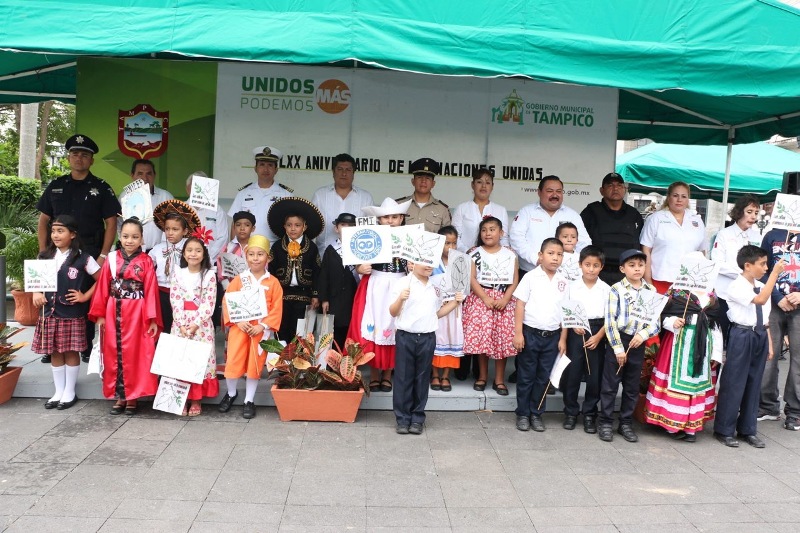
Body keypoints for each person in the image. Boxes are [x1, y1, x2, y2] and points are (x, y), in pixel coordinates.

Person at [36, 134, 121, 364]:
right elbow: (43, 221)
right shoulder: (56, 186)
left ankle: (84, 346)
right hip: (56, 253)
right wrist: (43, 253)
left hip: (89, 251)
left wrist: (103, 255)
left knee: (85, 299)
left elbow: (111, 223)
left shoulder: (101, 187)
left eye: (84, 155)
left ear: (91, 160)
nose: (79, 158)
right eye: (75, 154)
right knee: (51, 297)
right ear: (68, 158)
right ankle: (51, 347)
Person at [644, 255, 723, 442]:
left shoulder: (711, 293)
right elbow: (660, 315)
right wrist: (672, 322)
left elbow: (714, 324)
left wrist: (716, 352)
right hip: (677, 342)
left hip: (703, 345)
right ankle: (673, 424)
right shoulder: (676, 291)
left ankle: (691, 427)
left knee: (696, 384)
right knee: (676, 382)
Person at [88, 217, 161, 415]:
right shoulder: (112, 259)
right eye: (126, 236)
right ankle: (119, 395)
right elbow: (103, 287)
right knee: (114, 351)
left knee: (134, 353)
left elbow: (151, 291)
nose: (130, 240)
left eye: (135, 237)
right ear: (120, 237)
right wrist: (100, 314)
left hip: (137, 312)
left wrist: (152, 319)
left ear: (142, 239)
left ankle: (132, 397)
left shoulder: (146, 261)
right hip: (113, 310)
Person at [714, 246, 784, 447]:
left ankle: (747, 429)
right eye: (762, 264)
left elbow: (765, 318)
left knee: (754, 383)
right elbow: (760, 301)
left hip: (759, 334)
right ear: (747, 265)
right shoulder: (737, 286)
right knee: (734, 381)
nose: (766, 268)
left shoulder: (762, 285)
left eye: (767, 264)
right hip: (742, 334)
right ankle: (724, 429)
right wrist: (774, 275)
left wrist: (769, 343)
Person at [31, 215, 101, 410]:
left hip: (71, 313)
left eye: (60, 231)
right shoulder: (44, 256)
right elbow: (36, 282)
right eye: (53, 231)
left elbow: (103, 278)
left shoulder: (83, 258)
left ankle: (69, 391)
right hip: (49, 313)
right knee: (54, 351)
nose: (55, 235)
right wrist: (36, 292)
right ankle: (58, 391)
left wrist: (85, 296)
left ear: (73, 234)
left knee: (70, 351)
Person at [389, 261, 464, 435]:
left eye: (431, 262)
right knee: (403, 378)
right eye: (424, 262)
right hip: (406, 336)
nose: (429, 266)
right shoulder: (402, 283)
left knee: (422, 378)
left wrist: (455, 303)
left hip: (427, 337)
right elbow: (393, 312)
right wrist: (401, 299)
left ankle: (417, 418)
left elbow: (436, 313)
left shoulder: (435, 286)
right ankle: (402, 418)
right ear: (412, 263)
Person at [348, 197, 411, 392]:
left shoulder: (410, 238)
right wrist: (360, 267)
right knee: (374, 325)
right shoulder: (369, 236)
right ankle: (374, 374)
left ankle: (388, 374)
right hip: (375, 285)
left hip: (399, 284)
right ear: (379, 220)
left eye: (394, 217)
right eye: (385, 217)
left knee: (394, 326)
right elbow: (357, 261)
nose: (390, 221)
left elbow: (418, 263)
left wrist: (412, 266)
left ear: (401, 218)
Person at [599, 249, 661, 443]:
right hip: (619, 340)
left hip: (638, 342)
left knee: (632, 386)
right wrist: (618, 348)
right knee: (610, 385)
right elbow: (610, 321)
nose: (637, 269)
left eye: (641, 265)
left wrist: (643, 335)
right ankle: (605, 422)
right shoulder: (616, 289)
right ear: (622, 268)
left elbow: (655, 322)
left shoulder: (651, 291)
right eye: (632, 265)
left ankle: (625, 423)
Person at [219, 235, 283, 419]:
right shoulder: (239, 279)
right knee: (234, 360)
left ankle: (249, 399)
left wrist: (263, 326)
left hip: (260, 331)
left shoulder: (273, 282)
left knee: (254, 364)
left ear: (268, 257)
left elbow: (277, 308)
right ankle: (231, 393)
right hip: (240, 328)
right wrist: (237, 321)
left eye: (260, 254)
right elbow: (227, 301)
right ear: (246, 256)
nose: (255, 258)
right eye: (252, 254)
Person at [511, 238, 568, 432]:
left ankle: (536, 413)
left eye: (559, 254)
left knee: (544, 377)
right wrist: (518, 333)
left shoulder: (563, 281)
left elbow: (566, 312)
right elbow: (520, 304)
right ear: (540, 256)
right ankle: (523, 414)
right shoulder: (530, 277)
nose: (555, 258)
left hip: (553, 336)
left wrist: (563, 338)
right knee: (526, 376)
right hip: (530, 334)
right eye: (551, 253)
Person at [462, 217, 519, 395]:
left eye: (492, 229)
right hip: (481, 299)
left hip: (504, 300)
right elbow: (471, 278)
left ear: (501, 233)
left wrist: (506, 298)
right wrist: (485, 297)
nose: (488, 233)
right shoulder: (474, 252)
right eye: (484, 230)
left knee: (501, 341)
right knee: (483, 340)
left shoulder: (510, 253)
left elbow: (515, 279)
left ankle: (499, 380)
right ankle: (482, 376)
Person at [559, 245, 609, 433]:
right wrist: (572, 326)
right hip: (576, 330)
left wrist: (598, 336)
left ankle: (590, 414)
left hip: (597, 331)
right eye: (587, 264)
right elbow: (565, 311)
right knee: (572, 373)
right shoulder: (571, 287)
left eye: (595, 265)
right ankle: (570, 412)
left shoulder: (606, 289)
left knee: (594, 375)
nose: (591, 269)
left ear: (601, 267)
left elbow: (610, 318)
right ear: (580, 265)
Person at [169, 236, 219, 417]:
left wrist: (195, 324)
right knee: (181, 360)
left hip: (201, 326)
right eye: (189, 250)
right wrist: (182, 324)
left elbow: (209, 302)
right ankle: (181, 398)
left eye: (198, 251)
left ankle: (196, 399)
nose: (193, 254)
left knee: (198, 361)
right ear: (183, 253)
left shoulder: (209, 276)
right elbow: (175, 299)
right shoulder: (178, 273)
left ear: (204, 254)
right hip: (180, 324)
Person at [759, 221, 800, 431]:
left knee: (798, 360)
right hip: (774, 304)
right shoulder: (772, 234)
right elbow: (763, 269)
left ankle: (795, 411)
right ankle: (767, 405)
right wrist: (776, 297)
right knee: (769, 354)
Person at [509, 175, 590, 276]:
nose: (555, 195)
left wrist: (572, 262)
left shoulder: (572, 215)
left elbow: (584, 243)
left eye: (559, 191)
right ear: (539, 192)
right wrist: (536, 259)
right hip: (530, 272)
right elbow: (516, 238)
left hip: (564, 276)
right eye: (550, 191)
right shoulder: (526, 212)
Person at [267, 197, 323, 342]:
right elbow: (271, 271)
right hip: (282, 294)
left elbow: (317, 272)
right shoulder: (277, 247)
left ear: (304, 227)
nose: (293, 228)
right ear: (284, 227)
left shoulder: (311, 247)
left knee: (300, 329)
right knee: (282, 326)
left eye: (297, 225)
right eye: (289, 225)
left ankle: (298, 355)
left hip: (304, 295)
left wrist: (315, 295)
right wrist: (271, 294)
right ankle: (282, 353)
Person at [710, 194, 762, 343]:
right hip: (725, 292)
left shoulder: (757, 236)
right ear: (739, 212)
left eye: (756, 212)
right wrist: (742, 274)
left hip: (748, 294)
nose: (753, 216)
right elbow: (718, 262)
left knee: (741, 336)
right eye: (749, 212)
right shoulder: (724, 234)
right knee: (720, 337)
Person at [640, 181, 707, 294]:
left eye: (683, 196)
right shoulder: (656, 219)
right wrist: (648, 282)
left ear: (688, 199)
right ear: (668, 197)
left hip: (689, 283)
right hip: (660, 281)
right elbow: (646, 250)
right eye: (675, 195)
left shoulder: (697, 220)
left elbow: (702, 252)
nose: (679, 199)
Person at [580, 172, 644, 285]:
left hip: (626, 275)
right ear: (602, 190)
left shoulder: (634, 214)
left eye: (619, 185)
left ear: (625, 189)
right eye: (610, 185)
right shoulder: (590, 212)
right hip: (597, 275)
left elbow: (640, 245)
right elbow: (580, 243)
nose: (615, 188)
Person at [149, 200, 201, 334]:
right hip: (161, 293)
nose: (170, 233)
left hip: (183, 293)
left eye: (175, 229)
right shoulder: (157, 249)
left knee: (181, 324)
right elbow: (146, 266)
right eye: (167, 229)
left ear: (185, 231)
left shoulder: (190, 247)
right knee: (164, 324)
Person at [228, 146, 293, 244]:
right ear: (255, 168)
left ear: (276, 170)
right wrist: (234, 248)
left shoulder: (286, 194)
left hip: (274, 247)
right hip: (248, 247)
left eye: (270, 165)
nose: (266, 169)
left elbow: (292, 225)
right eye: (262, 165)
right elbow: (235, 223)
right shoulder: (243, 193)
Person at [311, 153, 374, 254]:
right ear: (333, 172)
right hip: (323, 256)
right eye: (340, 169)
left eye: (348, 170)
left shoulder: (366, 197)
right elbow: (310, 226)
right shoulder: (320, 195)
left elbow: (371, 230)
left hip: (355, 258)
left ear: (353, 173)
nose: (344, 173)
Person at [317, 213, 359, 350]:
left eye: (351, 226)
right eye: (343, 225)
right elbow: (324, 275)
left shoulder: (361, 248)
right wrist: (324, 299)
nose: (346, 228)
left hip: (354, 296)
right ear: (336, 228)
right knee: (335, 332)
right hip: (334, 298)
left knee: (351, 330)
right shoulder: (330, 250)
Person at [430, 226, 464, 392]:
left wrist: (457, 298)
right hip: (436, 308)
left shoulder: (460, 261)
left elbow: (464, 286)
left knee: (452, 338)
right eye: (447, 243)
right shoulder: (432, 262)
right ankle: (435, 374)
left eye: (454, 243)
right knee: (436, 338)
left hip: (454, 308)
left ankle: (446, 375)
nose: (451, 247)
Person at [119, 159, 174, 252]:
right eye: (140, 174)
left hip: (160, 252)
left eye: (149, 174)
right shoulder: (125, 197)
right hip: (131, 251)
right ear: (132, 175)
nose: (145, 178)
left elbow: (174, 224)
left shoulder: (166, 197)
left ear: (154, 175)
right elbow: (119, 224)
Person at [451, 168, 509, 252]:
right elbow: (455, 237)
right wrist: (468, 251)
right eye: (479, 182)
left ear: (492, 186)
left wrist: (505, 253)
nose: (484, 186)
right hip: (465, 256)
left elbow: (503, 239)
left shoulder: (501, 210)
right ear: (472, 185)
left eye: (487, 183)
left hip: (493, 257)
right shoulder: (461, 208)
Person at [185, 171, 230, 266]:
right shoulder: (181, 209)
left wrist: (207, 256)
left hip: (211, 261)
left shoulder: (217, 210)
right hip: (186, 260)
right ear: (187, 189)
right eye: (195, 186)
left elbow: (223, 237)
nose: (199, 190)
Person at [396, 158, 451, 233]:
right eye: (419, 177)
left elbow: (448, 237)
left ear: (433, 184)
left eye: (428, 178)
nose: (423, 181)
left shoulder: (442, 210)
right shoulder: (399, 205)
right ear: (413, 181)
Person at [218, 211, 255, 290]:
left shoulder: (257, 248)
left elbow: (262, 268)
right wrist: (228, 287)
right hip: (230, 289)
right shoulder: (228, 248)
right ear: (234, 227)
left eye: (247, 225)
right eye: (238, 225)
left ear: (253, 228)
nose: (242, 228)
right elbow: (221, 268)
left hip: (253, 289)